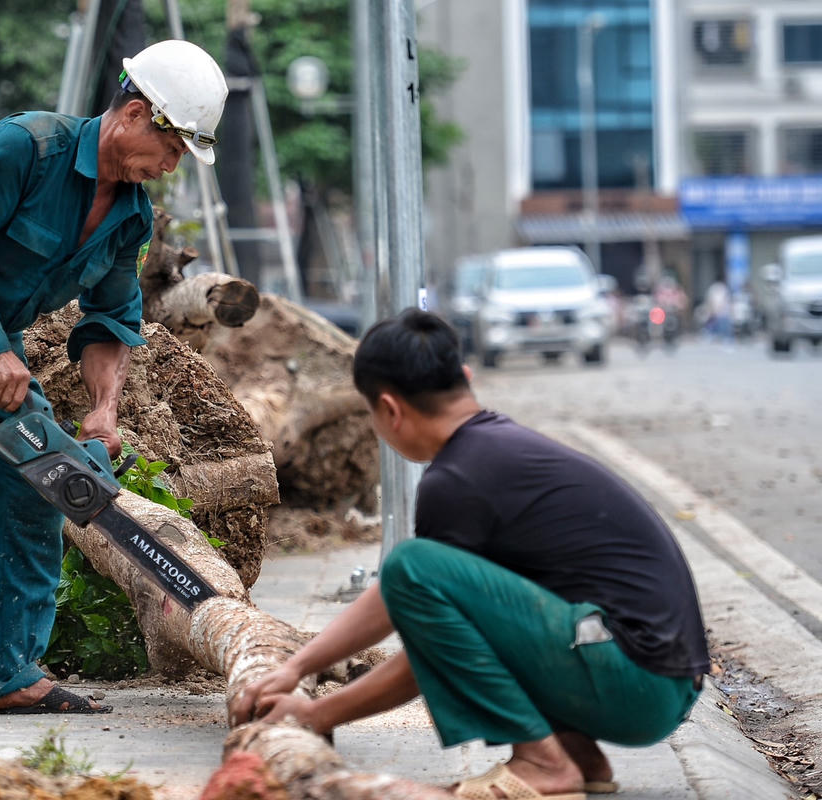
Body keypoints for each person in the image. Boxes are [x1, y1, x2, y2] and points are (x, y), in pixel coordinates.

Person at [0, 40, 228, 722]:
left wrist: (104, 411)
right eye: (173, 147)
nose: (173, 165)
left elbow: (110, 318)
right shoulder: (25, 148)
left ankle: (10, 672)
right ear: (137, 113)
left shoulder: (131, 216)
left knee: (40, 490)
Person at [231, 309, 709, 799]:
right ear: (464, 378)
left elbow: (423, 639)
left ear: (390, 410)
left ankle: (544, 764)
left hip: (637, 681)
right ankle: (577, 754)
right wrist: (295, 669)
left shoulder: (458, 480)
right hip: (658, 684)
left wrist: (315, 714)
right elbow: (422, 615)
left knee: (412, 565)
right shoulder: (497, 452)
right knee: (425, 577)